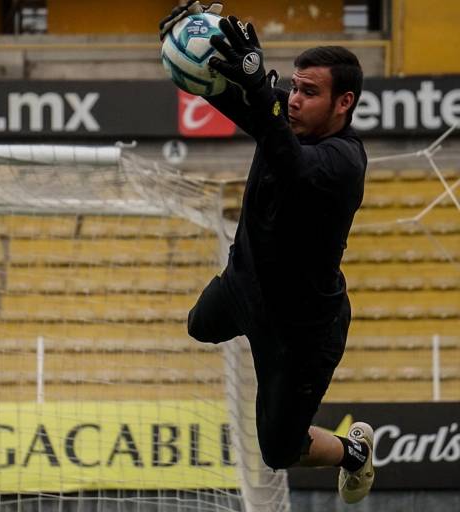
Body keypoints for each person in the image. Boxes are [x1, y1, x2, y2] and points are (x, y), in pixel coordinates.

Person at [160, 1, 375, 504]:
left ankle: (353, 452)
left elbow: (290, 164)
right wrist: (192, 50)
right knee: (200, 324)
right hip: (246, 282)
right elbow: (245, 103)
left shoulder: (345, 161)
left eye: (309, 92)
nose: (294, 99)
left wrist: (261, 92)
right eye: (293, 87)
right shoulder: (287, 114)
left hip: (301, 332)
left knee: (279, 450)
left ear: (344, 103)